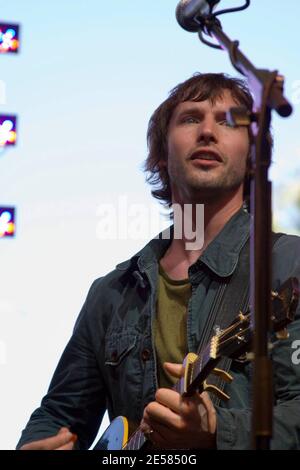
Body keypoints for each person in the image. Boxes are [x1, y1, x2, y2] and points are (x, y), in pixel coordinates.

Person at [17, 73, 300, 450]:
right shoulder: (112, 293)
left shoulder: (288, 266)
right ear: (162, 155)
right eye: (190, 118)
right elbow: (58, 414)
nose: (207, 132)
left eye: (228, 121)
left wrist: (217, 432)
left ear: (252, 158)